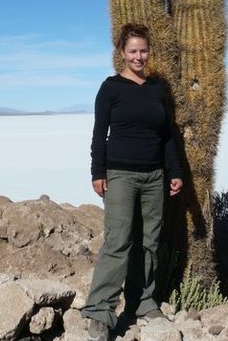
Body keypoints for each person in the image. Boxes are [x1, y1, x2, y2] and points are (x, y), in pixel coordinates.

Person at [81, 23, 183, 341]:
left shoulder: (156, 90)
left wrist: (174, 170)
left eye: (143, 50)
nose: (139, 56)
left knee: (149, 243)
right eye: (133, 51)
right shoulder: (111, 87)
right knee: (118, 241)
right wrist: (98, 172)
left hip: (155, 176)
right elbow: (100, 133)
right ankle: (100, 311)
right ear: (122, 53)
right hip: (121, 174)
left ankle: (143, 304)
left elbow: (167, 135)